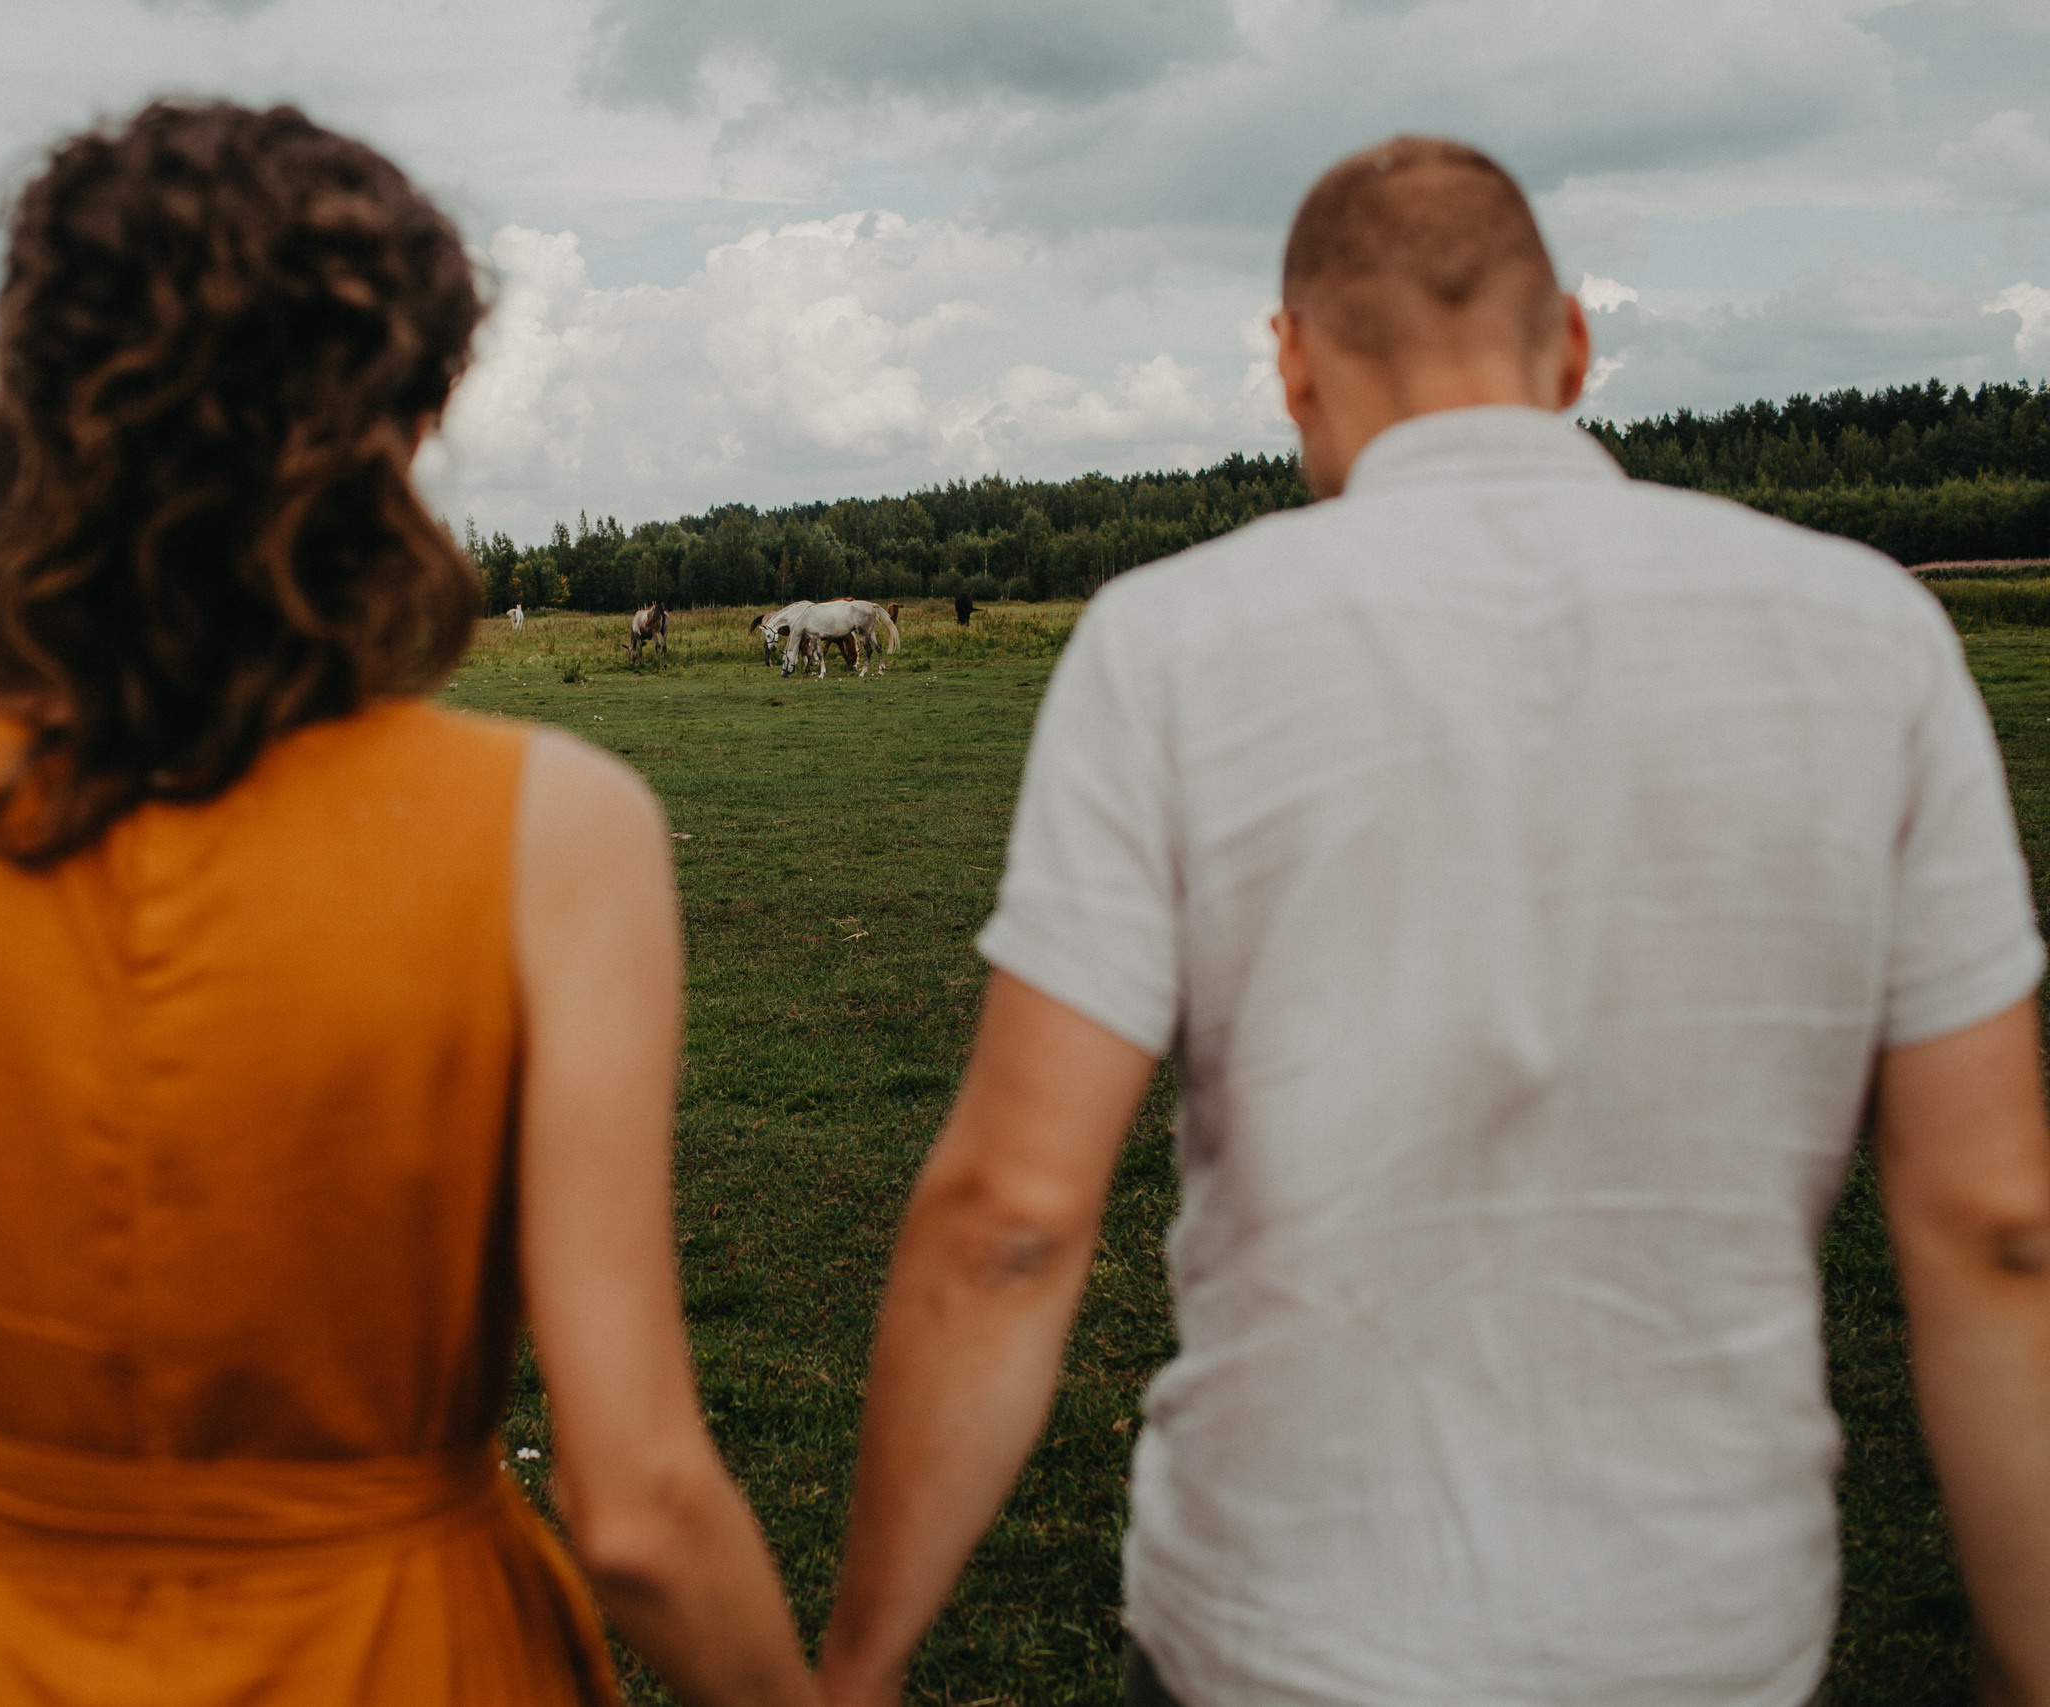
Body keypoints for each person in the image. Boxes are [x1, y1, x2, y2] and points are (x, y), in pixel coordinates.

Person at [815, 136, 2050, 1707]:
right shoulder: (1877, 639)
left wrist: (850, 1670)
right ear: (1577, 345)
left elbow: (1011, 1218)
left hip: (1279, 1627)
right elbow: (1996, 1227)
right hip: (1708, 1628)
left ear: (1292, 365)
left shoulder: (1171, 647)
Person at [0, 102, 815, 1707]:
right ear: (398, 429)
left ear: (44, 410)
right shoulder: (557, 833)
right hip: (417, 1652)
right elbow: (637, 1508)